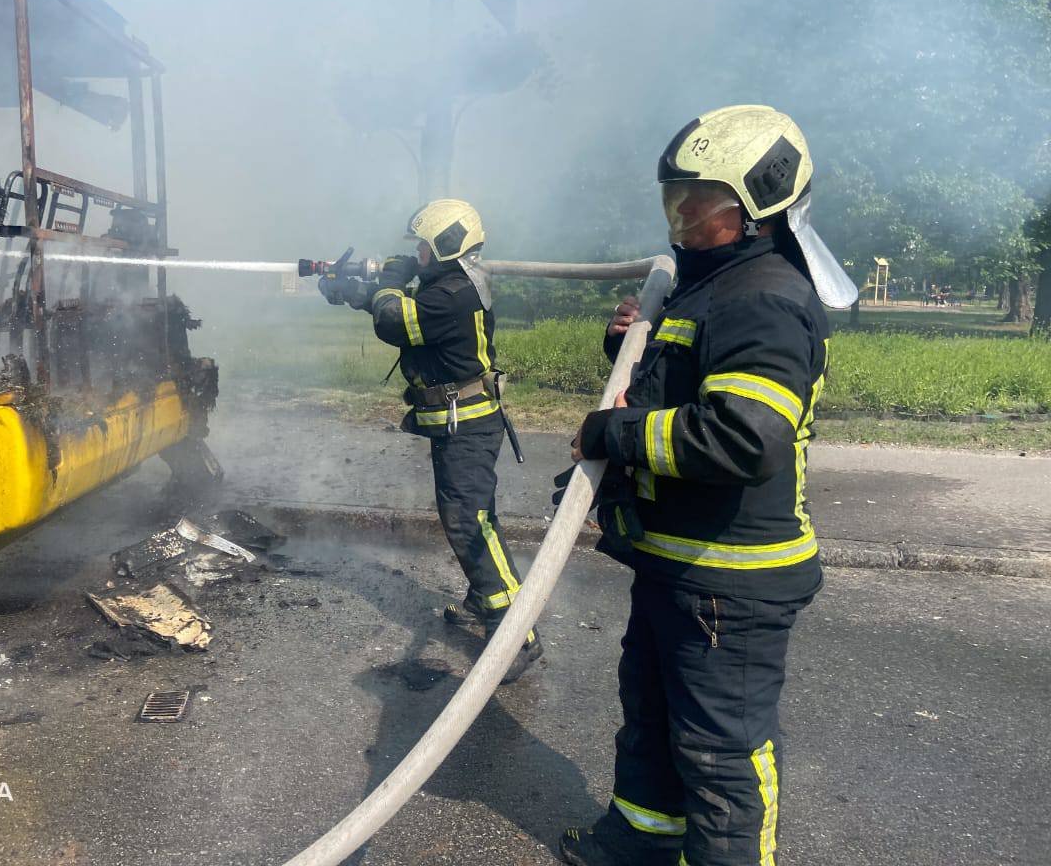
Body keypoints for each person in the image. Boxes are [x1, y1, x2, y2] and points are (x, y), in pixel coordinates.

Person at [558, 105, 857, 866]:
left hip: (730, 577)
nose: (684, 213)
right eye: (676, 197)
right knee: (652, 717)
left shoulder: (764, 299)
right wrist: (630, 345)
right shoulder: (714, 283)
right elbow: (684, 380)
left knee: (721, 755)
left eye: (705, 201)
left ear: (760, 210)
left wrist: (611, 434)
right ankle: (641, 842)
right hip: (678, 560)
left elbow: (741, 437)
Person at [337, 199, 543, 684]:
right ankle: (485, 596)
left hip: (467, 426)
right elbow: (406, 315)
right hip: (459, 424)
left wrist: (389, 280)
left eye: (423, 248)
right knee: (472, 517)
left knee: (469, 521)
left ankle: (516, 635)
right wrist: (355, 293)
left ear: (446, 246)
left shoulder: (452, 294)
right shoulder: (449, 286)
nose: (418, 255)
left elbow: (395, 320)